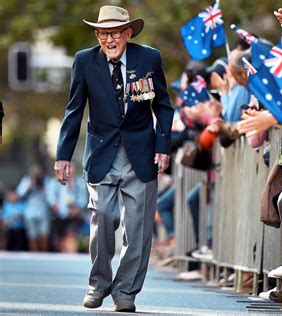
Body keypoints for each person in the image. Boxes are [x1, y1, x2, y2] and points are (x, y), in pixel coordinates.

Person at [54, 5, 174, 312]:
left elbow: (163, 105)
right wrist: (63, 156)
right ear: (96, 35)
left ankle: (126, 293)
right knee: (104, 217)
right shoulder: (84, 61)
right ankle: (98, 284)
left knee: (137, 229)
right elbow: (74, 111)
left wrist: (163, 146)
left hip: (140, 153)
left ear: (128, 33)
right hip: (102, 152)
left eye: (116, 32)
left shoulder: (149, 58)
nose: (110, 39)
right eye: (104, 33)